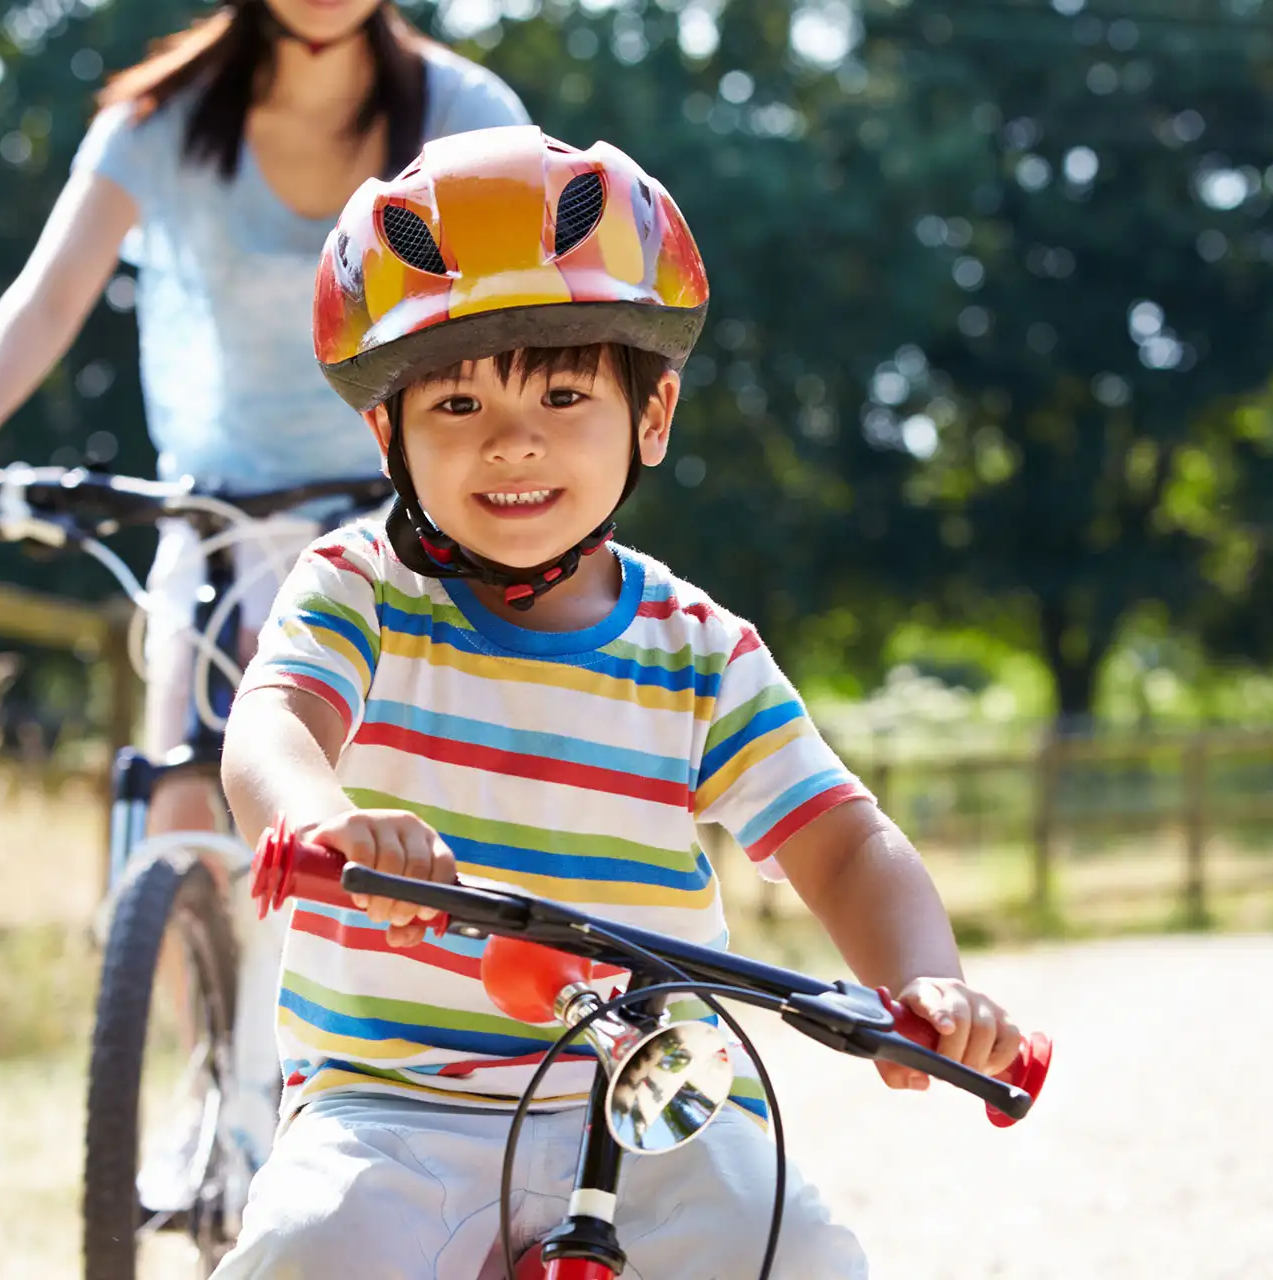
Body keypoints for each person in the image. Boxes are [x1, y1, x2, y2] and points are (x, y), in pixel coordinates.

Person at [211, 124, 1028, 1277]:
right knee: (308, 1247)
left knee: (799, 1253)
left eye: (561, 393)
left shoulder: (696, 650)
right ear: (383, 429)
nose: (511, 441)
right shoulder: (359, 591)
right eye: (454, 406)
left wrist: (921, 978)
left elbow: (842, 839)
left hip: (656, 1097)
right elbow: (275, 724)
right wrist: (321, 817)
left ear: (651, 417)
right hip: (398, 1102)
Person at [0, 0, 528, 1203]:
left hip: (406, 515)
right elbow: (50, 288)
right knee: (183, 797)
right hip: (217, 515)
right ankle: (215, 1092)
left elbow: (543, 297)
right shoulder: (159, 123)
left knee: (423, 806)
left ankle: (417, 1090)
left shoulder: (466, 117)